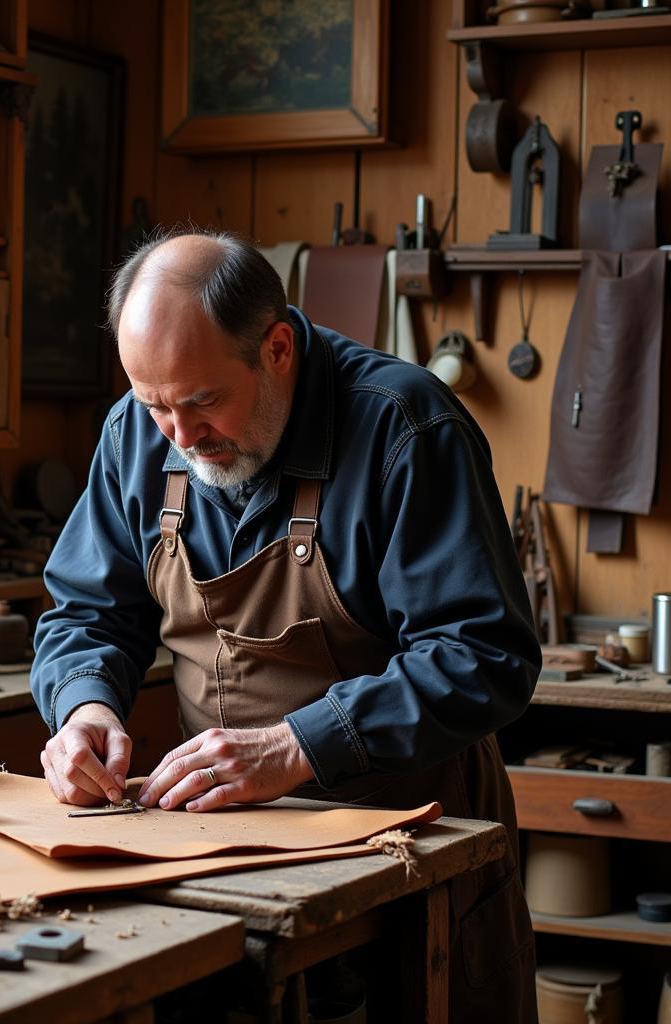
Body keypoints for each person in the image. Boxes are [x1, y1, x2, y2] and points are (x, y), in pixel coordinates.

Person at [31, 229, 541, 1020]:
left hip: (406, 843)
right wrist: (84, 705)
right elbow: (89, 609)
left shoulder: (405, 427)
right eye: (153, 403)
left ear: (275, 348)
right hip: (217, 851)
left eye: (201, 402)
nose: (178, 436)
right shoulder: (139, 432)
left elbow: (483, 655)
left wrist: (298, 744)